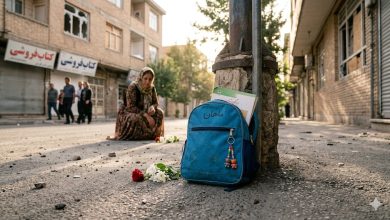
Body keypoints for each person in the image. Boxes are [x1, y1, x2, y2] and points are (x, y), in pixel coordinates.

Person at [110, 67, 164, 140]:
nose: (148, 81)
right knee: (136, 118)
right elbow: (131, 107)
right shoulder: (133, 86)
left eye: (150, 79)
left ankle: (153, 134)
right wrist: (146, 116)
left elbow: (155, 103)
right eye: (145, 78)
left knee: (160, 113)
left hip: (146, 111)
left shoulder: (152, 88)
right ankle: (140, 136)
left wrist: (153, 107)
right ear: (141, 77)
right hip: (130, 111)